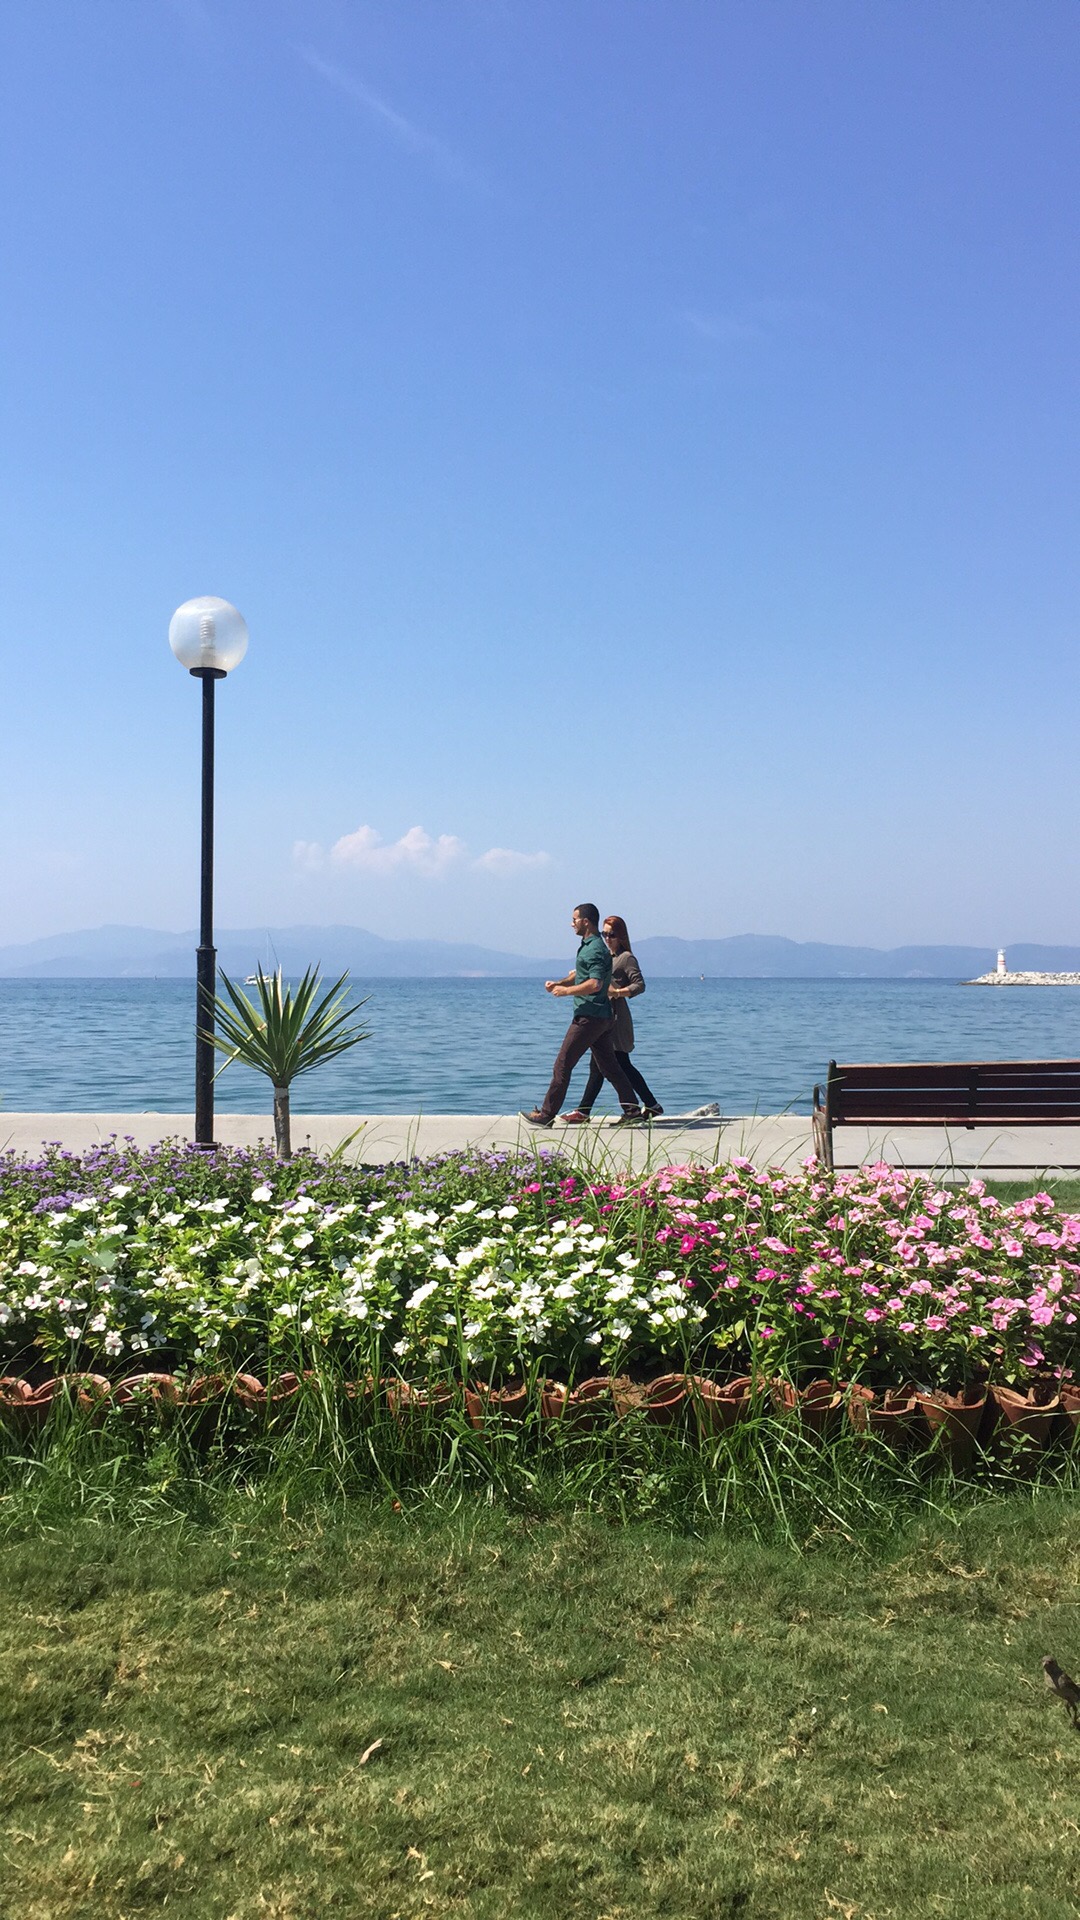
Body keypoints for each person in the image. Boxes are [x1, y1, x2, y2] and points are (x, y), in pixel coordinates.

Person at [520, 904, 644, 1128]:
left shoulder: (595, 948)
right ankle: (632, 1110)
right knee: (611, 1067)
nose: (571, 923)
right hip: (602, 1017)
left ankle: (547, 1114)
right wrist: (559, 982)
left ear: (586, 921)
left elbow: (595, 984)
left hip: (590, 1017)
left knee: (563, 1064)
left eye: (574, 919)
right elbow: (582, 976)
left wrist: (566, 992)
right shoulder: (589, 946)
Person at [563, 915, 663, 1123]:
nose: (608, 938)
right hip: (602, 1015)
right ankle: (648, 1105)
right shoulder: (605, 956)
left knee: (618, 1063)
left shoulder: (626, 958)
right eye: (605, 934)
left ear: (621, 936)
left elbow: (639, 985)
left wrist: (618, 993)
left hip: (616, 1018)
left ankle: (645, 1106)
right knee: (601, 1065)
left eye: (612, 934)